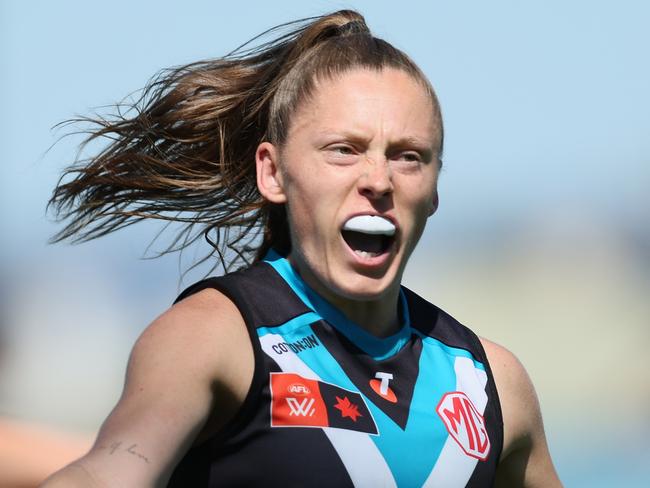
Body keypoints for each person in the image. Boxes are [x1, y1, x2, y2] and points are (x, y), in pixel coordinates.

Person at [41, 10, 561, 488]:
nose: (378, 180)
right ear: (272, 172)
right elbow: (107, 472)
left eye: (408, 157)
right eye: (344, 150)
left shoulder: (491, 382)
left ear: (434, 190)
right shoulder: (215, 337)